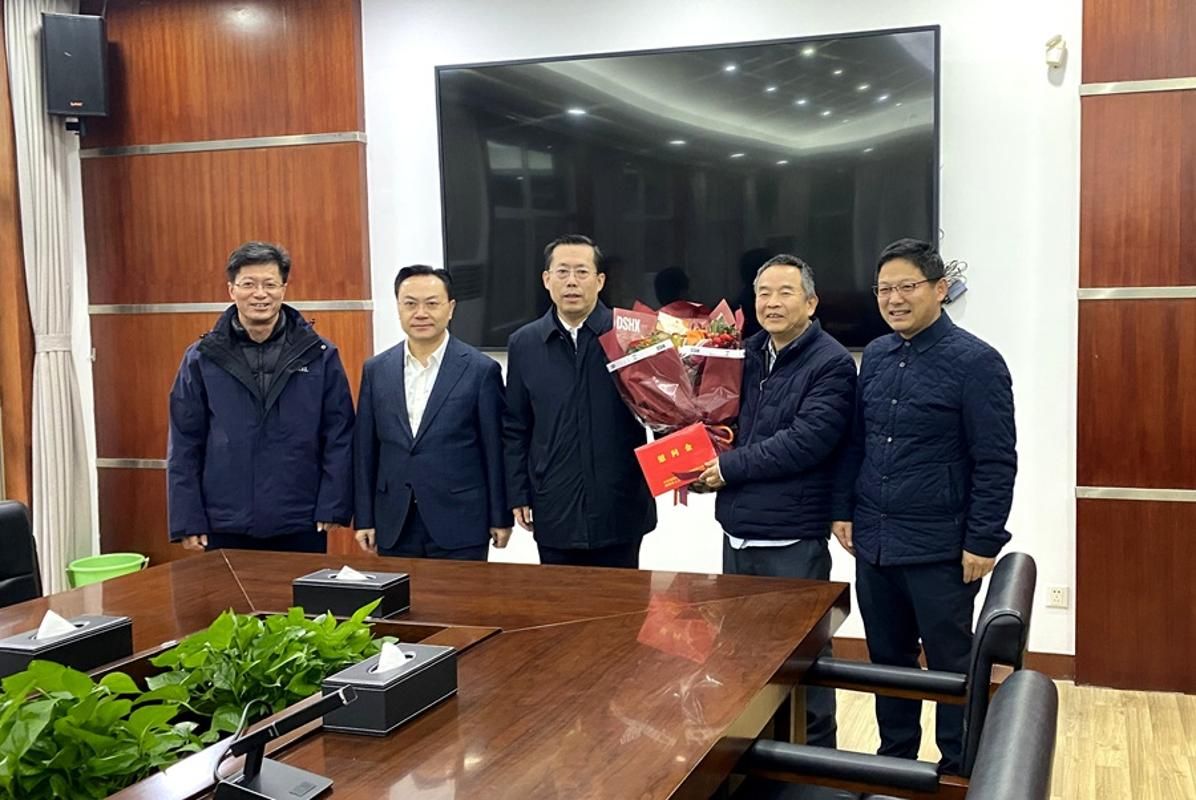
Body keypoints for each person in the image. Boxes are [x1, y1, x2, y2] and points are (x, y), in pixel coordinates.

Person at [831, 238, 1016, 774]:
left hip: (941, 549)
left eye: (907, 286)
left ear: (939, 289)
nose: (894, 299)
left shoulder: (977, 362)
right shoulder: (877, 355)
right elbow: (857, 443)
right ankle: (896, 764)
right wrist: (843, 509)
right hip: (875, 544)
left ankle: (959, 769)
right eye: (884, 289)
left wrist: (983, 539)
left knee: (951, 665)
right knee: (887, 661)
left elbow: (996, 459)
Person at [697, 254, 856, 749]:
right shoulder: (741, 354)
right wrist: (689, 450)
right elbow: (717, 421)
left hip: (792, 539)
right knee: (741, 657)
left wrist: (727, 467)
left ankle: (818, 764)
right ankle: (756, 759)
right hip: (738, 532)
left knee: (804, 660)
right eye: (763, 293)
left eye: (785, 292)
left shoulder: (831, 362)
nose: (772, 302)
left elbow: (807, 441)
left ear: (811, 302)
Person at [167, 241, 354, 553]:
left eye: (270, 284)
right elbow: (184, 441)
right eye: (248, 284)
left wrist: (333, 504)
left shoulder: (319, 355)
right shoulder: (202, 358)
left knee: (299, 588)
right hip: (224, 519)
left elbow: (339, 432)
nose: (260, 294)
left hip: (300, 516)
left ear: (283, 289)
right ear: (231, 290)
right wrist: (187, 519)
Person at [503, 234, 656, 568]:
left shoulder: (632, 336)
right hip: (553, 503)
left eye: (582, 272)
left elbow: (662, 412)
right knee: (560, 600)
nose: (571, 281)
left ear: (599, 281)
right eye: (562, 272)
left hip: (620, 503)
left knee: (622, 600)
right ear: (547, 280)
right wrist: (517, 493)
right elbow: (515, 426)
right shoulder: (524, 343)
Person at [353, 266, 512, 559]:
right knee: (398, 591)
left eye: (432, 303)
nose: (421, 313)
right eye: (410, 304)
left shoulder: (480, 370)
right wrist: (364, 517)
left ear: (450, 308)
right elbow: (365, 450)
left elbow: (495, 449)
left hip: (461, 520)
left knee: (459, 591)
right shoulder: (376, 370)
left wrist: (500, 516)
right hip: (394, 519)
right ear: (398, 308)